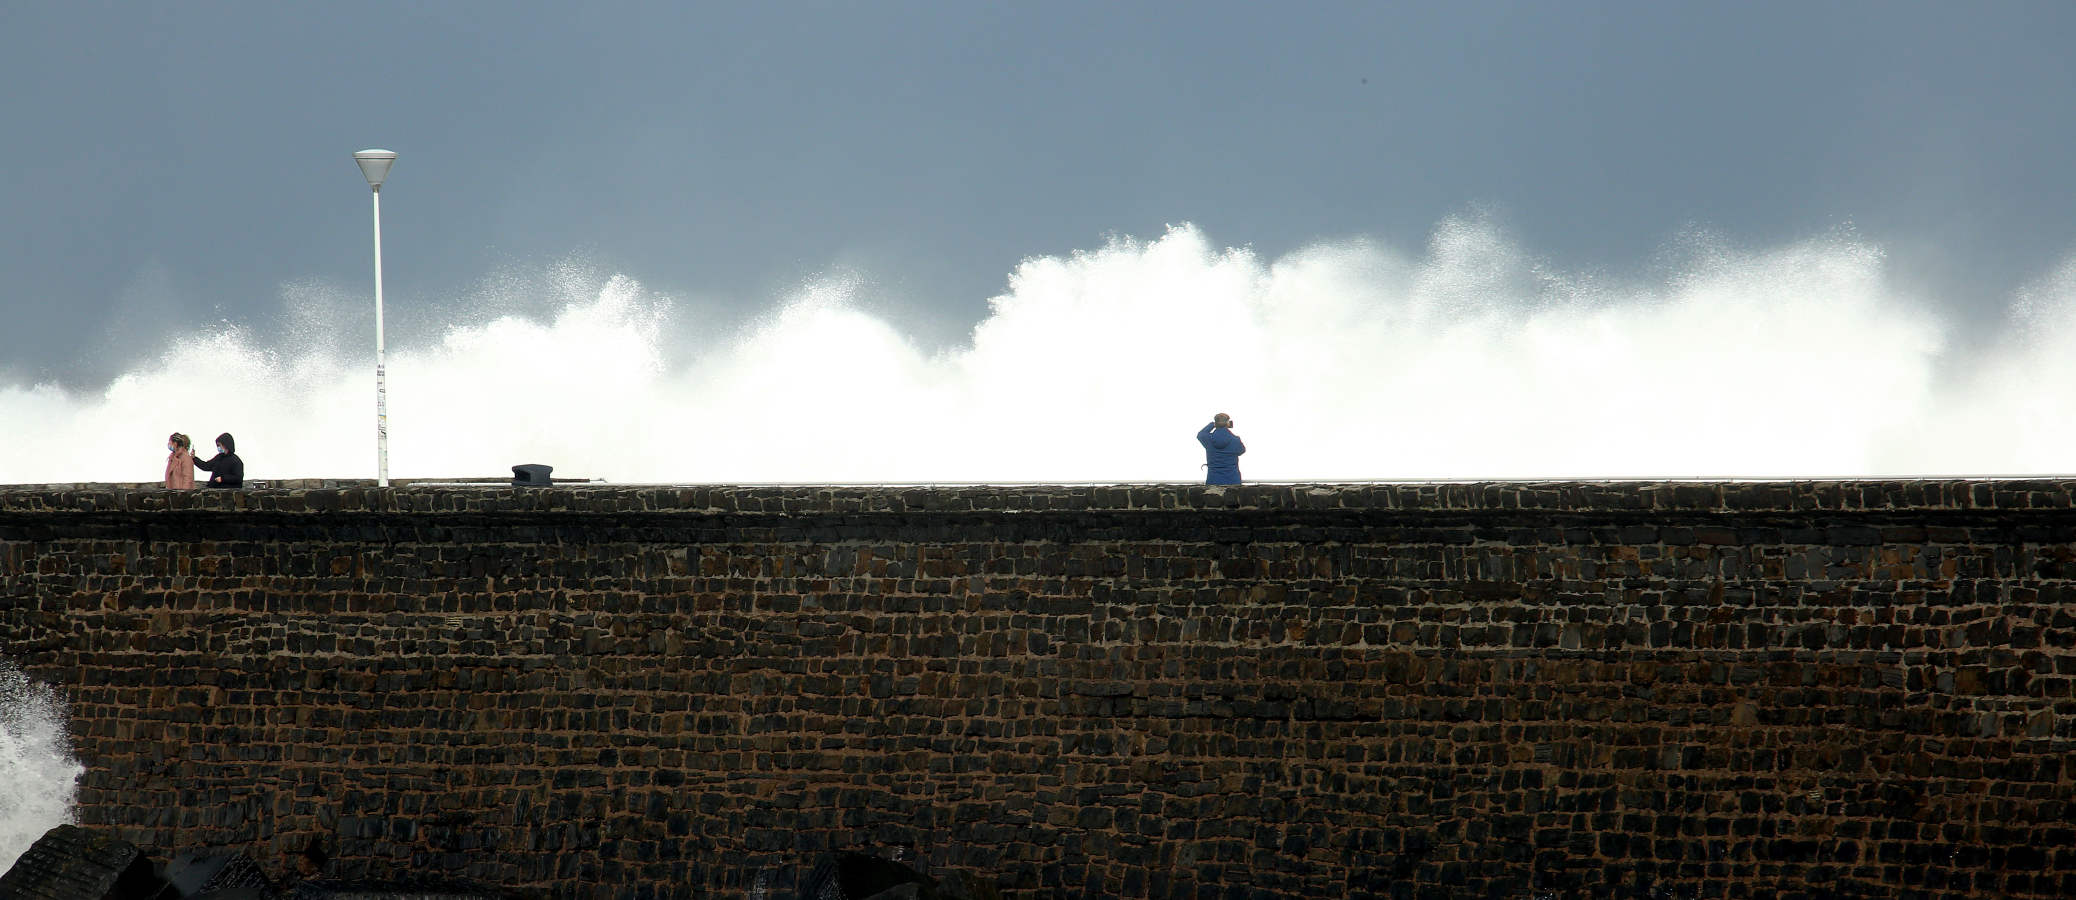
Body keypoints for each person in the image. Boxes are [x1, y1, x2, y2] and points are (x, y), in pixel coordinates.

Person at [1197, 413, 1246, 485]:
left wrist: (1212, 425)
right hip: (1232, 480)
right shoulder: (1235, 440)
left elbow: (1200, 434)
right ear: (1227, 423)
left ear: (1216, 423)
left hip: (1213, 480)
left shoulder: (1208, 439)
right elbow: (1242, 450)